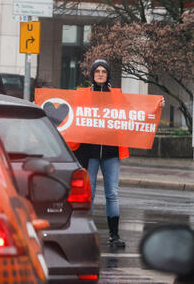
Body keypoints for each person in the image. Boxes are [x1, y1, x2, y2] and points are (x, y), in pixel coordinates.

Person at [69, 59, 164, 248]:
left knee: (112, 193)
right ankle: (87, 234)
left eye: (104, 71)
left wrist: (156, 105)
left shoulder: (117, 95)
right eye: (97, 71)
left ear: (108, 74)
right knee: (91, 193)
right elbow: (67, 113)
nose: (101, 74)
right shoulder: (82, 95)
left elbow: (133, 112)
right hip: (89, 152)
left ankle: (114, 235)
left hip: (111, 153)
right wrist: (43, 105)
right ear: (92, 74)